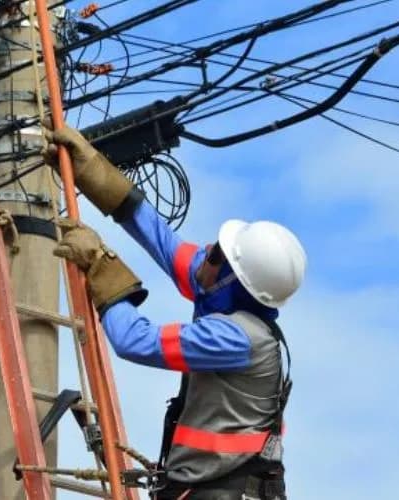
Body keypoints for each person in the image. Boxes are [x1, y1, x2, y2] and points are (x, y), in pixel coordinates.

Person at [44, 122, 306, 500]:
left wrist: (101, 265)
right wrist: (94, 172)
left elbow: (135, 340)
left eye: (217, 254)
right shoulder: (226, 295)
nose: (204, 254)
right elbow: (165, 243)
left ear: (234, 281)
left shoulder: (235, 338)